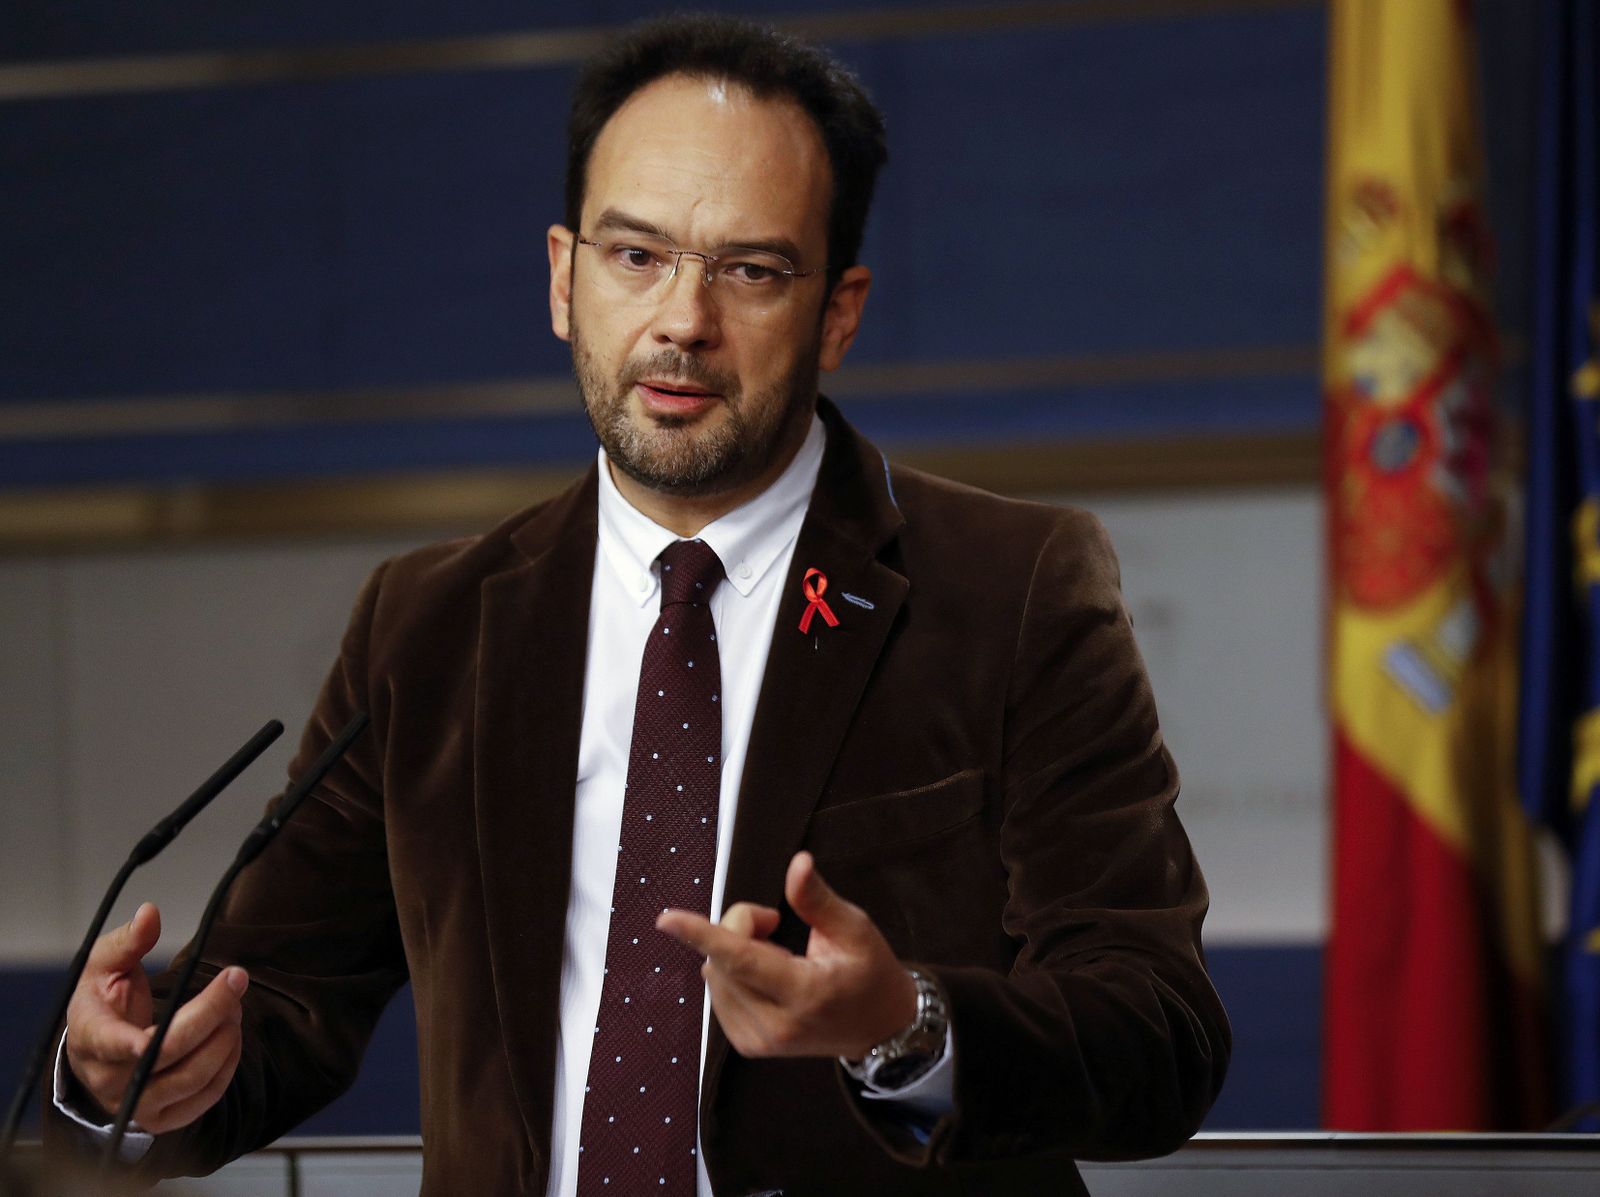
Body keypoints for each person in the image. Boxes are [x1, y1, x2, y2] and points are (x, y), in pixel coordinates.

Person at [48, 13, 1230, 1195]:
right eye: (635, 257)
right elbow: (277, 1004)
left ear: (839, 312)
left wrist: (906, 1027)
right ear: (564, 278)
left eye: (750, 270)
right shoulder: (431, 621)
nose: (680, 322)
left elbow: (1158, 1031)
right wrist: (130, 1077)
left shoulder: (1009, 589)